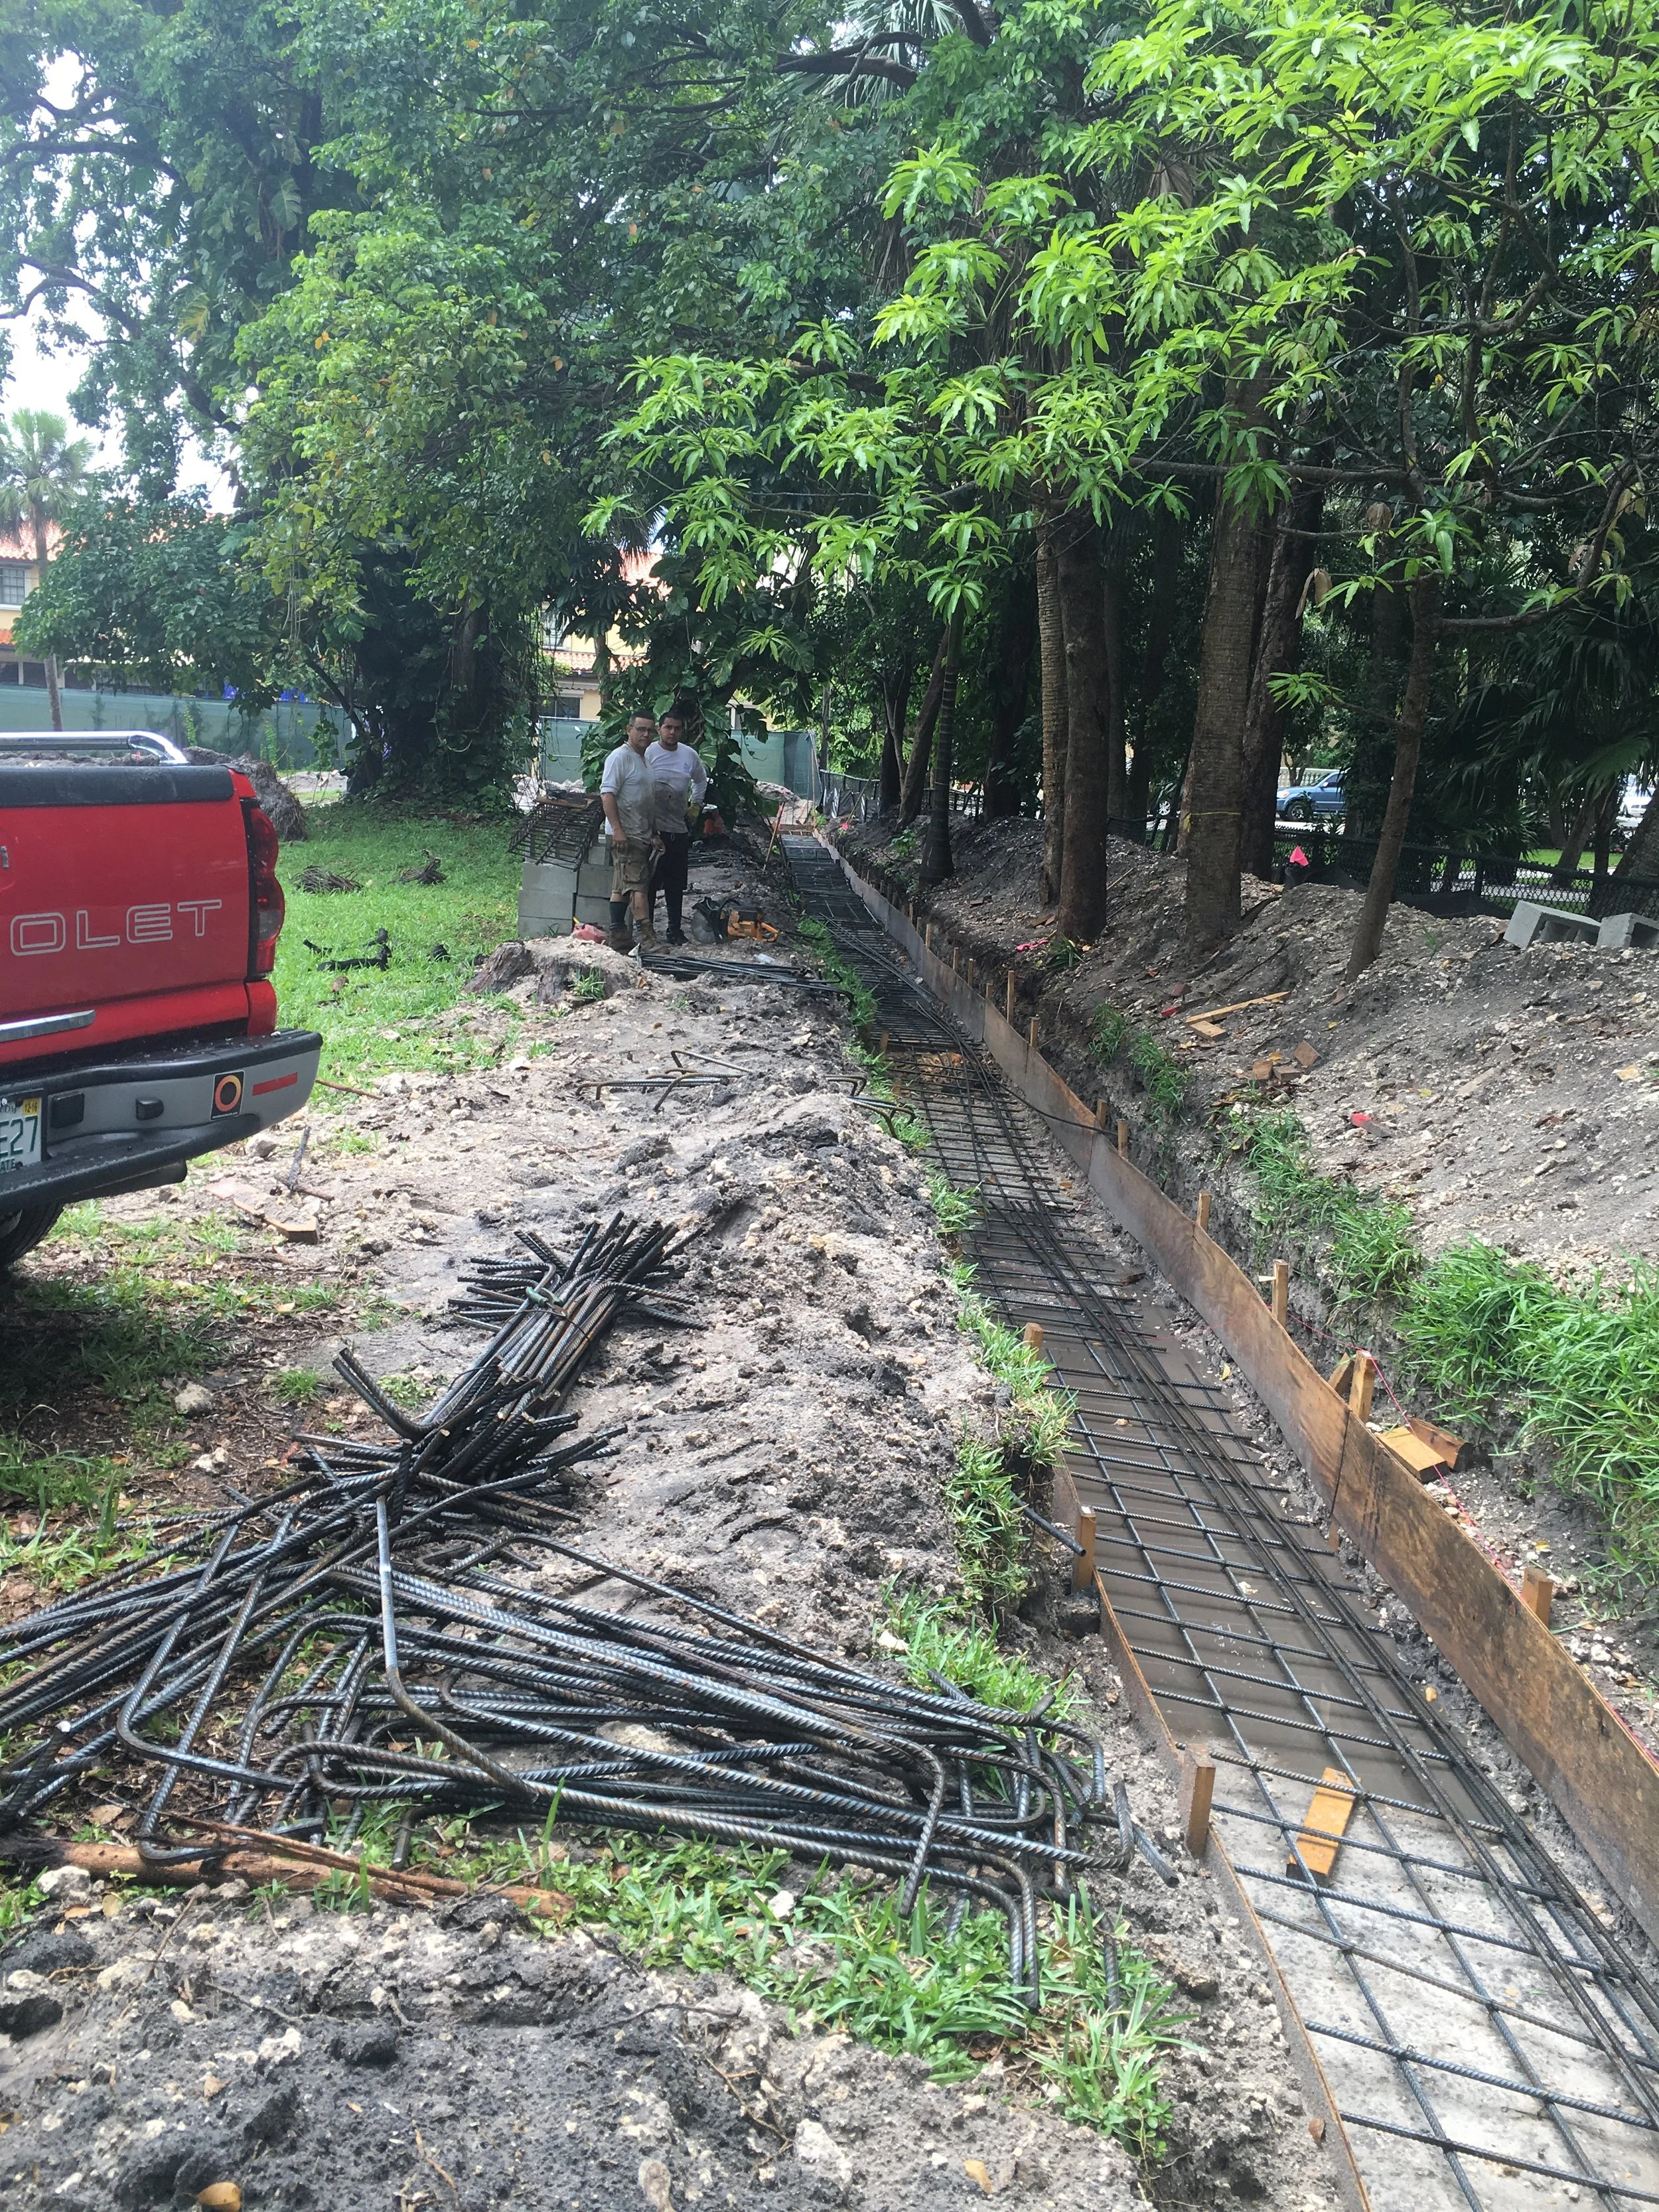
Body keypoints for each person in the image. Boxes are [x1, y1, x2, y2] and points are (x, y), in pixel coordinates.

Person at [599, 711, 664, 952]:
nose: (646, 734)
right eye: (641, 729)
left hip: (641, 832)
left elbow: (647, 801)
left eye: (650, 730)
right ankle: (647, 939)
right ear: (629, 730)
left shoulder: (644, 760)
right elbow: (607, 795)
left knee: (622, 886)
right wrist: (617, 830)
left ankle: (618, 936)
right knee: (638, 887)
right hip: (626, 833)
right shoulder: (620, 758)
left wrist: (654, 833)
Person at [645, 707, 708, 944]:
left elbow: (701, 781)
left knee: (675, 884)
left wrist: (697, 805)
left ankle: (674, 930)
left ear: (682, 731)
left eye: (677, 728)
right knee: (650, 883)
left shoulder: (689, 755)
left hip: (678, 829)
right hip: (653, 829)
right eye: (668, 727)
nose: (672, 732)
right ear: (660, 729)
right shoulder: (649, 752)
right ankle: (648, 930)